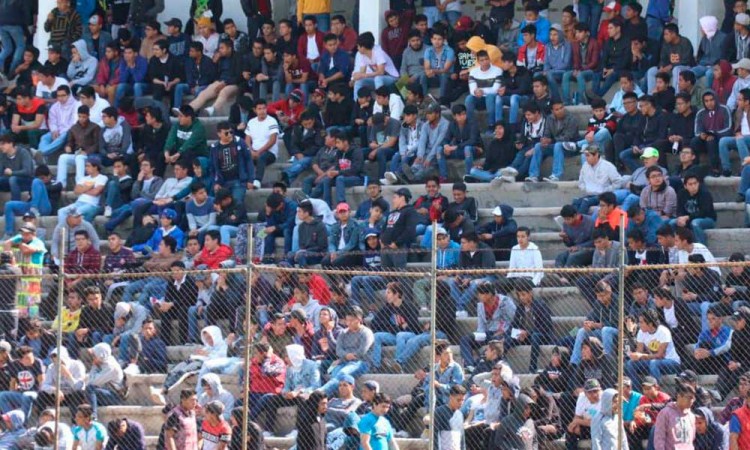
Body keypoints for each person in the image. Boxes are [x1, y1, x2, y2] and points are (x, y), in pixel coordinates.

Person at [625, 309, 682, 391]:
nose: (639, 324)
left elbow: (660, 355)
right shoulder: (641, 332)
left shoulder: (663, 331)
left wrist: (641, 355)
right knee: (630, 363)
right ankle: (637, 392)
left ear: (650, 324)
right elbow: (639, 352)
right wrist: (634, 355)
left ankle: (655, 392)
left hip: (671, 362)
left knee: (654, 363)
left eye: (641, 322)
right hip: (653, 361)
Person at [350, 32, 399, 100]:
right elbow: (362, 72)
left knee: (378, 78)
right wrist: (356, 77)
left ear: (363, 47)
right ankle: (357, 103)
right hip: (378, 79)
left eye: (358, 46)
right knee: (359, 82)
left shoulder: (378, 52)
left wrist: (364, 75)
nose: (357, 48)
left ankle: (380, 102)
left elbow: (381, 72)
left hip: (392, 77)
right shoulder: (363, 55)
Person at [653, 384, 696, 450]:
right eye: (690, 397)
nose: (692, 401)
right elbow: (659, 437)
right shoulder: (665, 413)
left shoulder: (691, 416)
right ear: (679, 396)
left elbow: (692, 438)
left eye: (693, 398)